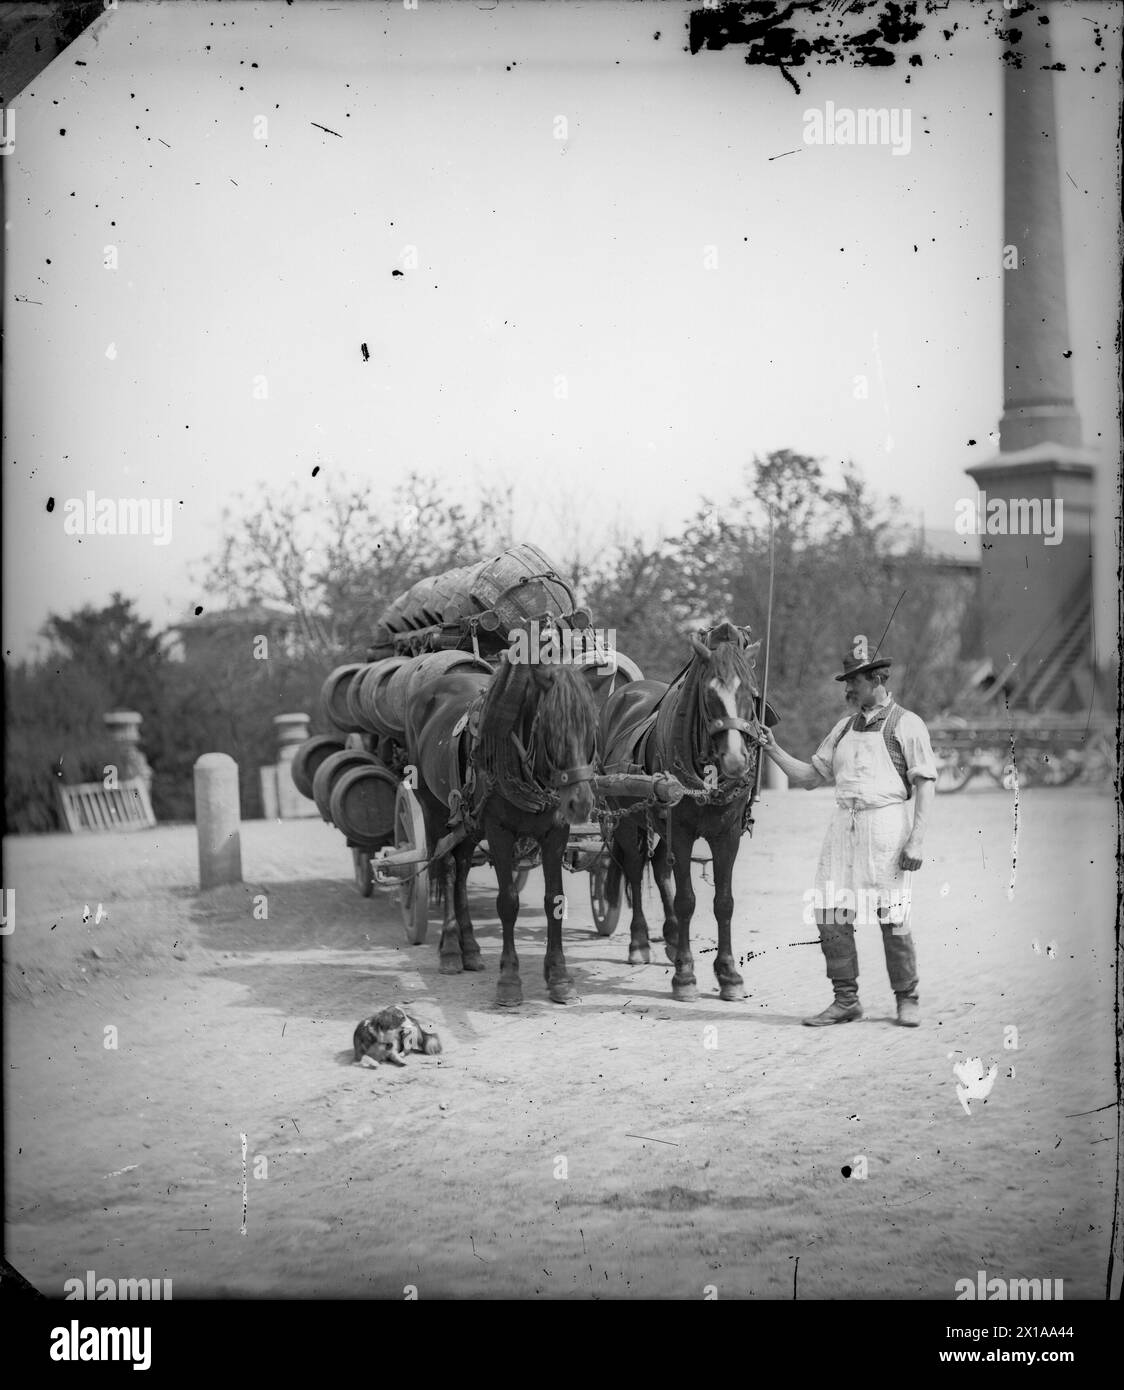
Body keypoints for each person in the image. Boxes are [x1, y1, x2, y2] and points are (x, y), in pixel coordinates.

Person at [758, 638, 937, 1027]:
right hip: (844, 828)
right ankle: (845, 1000)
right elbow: (809, 778)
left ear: (876, 679)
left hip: (886, 827)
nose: (847, 689)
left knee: (893, 915)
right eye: (846, 681)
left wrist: (917, 839)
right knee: (829, 912)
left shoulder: (907, 724)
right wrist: (772, 749)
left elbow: (925, 784)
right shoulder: (842, 729)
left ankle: (907, 998)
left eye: (853, 681)